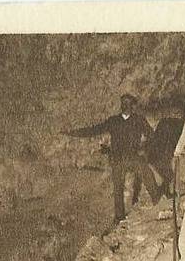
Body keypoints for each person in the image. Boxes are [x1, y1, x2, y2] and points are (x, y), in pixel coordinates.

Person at [63, 94, 160, 223]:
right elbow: (94, 130)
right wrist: (73, 133)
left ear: (132, 106)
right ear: (122, 105)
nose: (125, 106)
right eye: (123, 103)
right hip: (117, 158)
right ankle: (119, 217)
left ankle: (157, 201)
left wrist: (143, 148)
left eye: (128, 103)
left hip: (133, 157)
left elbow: (151, 135)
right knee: (118, 187)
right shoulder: (113, 120)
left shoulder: (139, 119)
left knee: (146, 173)